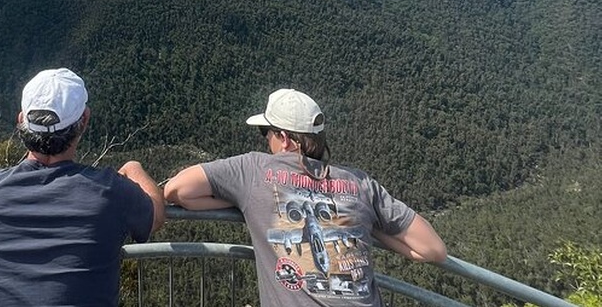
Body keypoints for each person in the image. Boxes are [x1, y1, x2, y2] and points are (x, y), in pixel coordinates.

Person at [165, 88, 446, 307]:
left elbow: (177, 190)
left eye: (267, 133)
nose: (266, 140)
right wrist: (367, 224)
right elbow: (432, 249)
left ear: (284, 138)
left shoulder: (253, 170)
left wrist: (242, 201)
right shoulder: (360, 184)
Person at [0, 67, 165, 307]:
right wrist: (133, 167)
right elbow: (156, 214)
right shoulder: (109, 193)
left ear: (21, 121)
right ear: (84, 120)